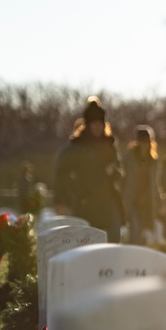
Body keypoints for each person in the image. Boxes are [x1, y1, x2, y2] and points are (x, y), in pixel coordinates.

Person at [53, 97, 125, 242]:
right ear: (88, 125)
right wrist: (76, 192)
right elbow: (61, 173)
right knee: (88, 242)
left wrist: (114, 172)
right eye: (94, 123)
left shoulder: (109, 144)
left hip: (108, 200)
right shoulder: (76, 147)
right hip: (86, 202)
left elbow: (119, 172)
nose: (98, 127)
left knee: (113, 240)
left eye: (100, 123)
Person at [123, 125, 162, 245]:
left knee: (144, 231)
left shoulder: (152, 160)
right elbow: (123, 178)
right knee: (134, 229)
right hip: (131, 199)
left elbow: (155, 183)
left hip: (147, 200)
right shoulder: (129, 157)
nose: (145, 144)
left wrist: (159, 200)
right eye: (142, 141)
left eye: (147, 141)